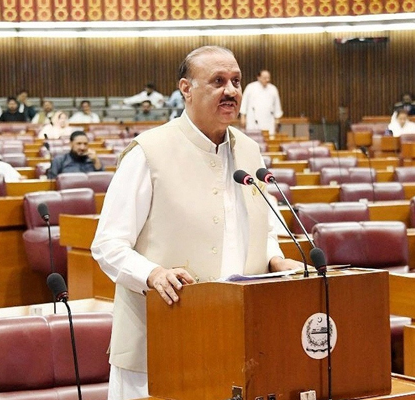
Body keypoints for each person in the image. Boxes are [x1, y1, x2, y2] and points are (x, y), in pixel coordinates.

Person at [90, 46, 301, 400]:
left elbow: (261, 229)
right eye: (218, 81)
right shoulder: (148, 152)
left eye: (235, 81)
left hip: (235, 338)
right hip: (159, 339)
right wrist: (153, 274)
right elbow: (108, 244)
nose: (231, 91)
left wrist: (274, 258)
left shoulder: (250, 151)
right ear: (186, 89)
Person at [240, 69, 283, 136]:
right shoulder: (250, 87)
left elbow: (277, 106)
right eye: (265, 78)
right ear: (259, 77)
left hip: (268, 120)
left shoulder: (273, 89)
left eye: (268, 78)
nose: (267, 80)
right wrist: (243, 117)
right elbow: (244, 103)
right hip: (253, 120)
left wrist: (277, 119)